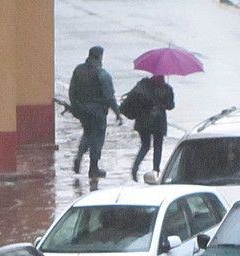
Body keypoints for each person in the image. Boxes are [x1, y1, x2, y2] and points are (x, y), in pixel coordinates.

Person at [68, 46, 122, 178]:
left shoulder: (78, 70)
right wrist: (117, 113)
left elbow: (71, 91)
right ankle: (93, 168)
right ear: (99, 57)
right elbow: (109, 96)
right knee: (97, 139)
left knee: (87, 134)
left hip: (82, 111)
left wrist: (75, 107)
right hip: (98, 113)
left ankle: (79, 156)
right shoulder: (102, 74)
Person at [128, 73, 176, 182]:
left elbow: (133, 97)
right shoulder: (167, 89)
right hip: (158, 122)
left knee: (145, 145)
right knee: (158, 146)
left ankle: (135, 168)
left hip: (142, 121)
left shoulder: (143, 85)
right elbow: (171, 106)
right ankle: (156, 171)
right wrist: (164, 101)